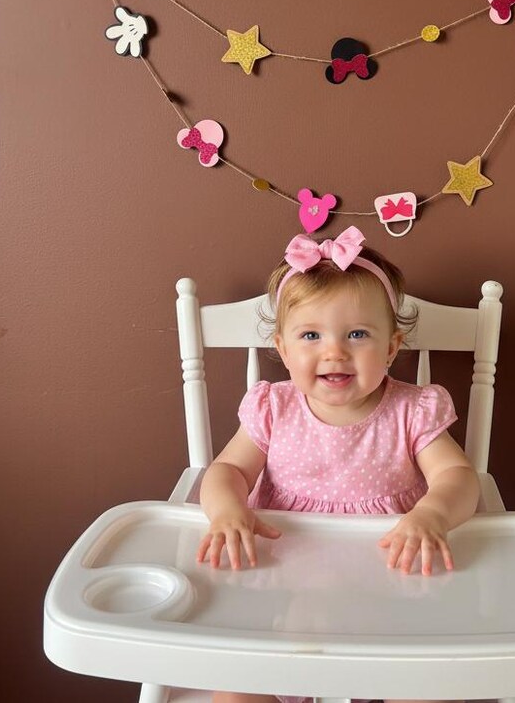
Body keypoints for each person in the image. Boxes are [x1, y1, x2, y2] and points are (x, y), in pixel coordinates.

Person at [197, 225, 480, 703]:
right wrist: (226, 510)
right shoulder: (274, 408)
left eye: (357, 334)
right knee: (232, 690)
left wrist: (432, 515)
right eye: (310, 334)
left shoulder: (412, 411)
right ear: (284, 350)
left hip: (392, 590)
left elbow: (457, 476)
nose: (335, 351)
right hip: (284, 596)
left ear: (391, 348)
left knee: (435, 691)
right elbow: (228, 471)